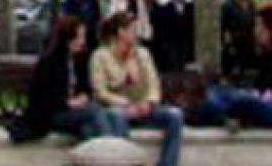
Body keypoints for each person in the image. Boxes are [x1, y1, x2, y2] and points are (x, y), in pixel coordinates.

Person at [193, 8, 272, 141]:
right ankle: (223, 115)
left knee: (243, 101)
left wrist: (258, 95)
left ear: (270, 29)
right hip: (259, 100)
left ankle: (221, 116)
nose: (255, 31)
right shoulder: (262, 52)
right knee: (218, 92)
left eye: (259, 26)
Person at [87, 12, 185, 166]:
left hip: (142, 107)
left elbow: (154, 84)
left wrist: (149, 102)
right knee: (117, 116)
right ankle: (126, 162)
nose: (136, 34)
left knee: (175, 115)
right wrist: (125, 101)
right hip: (117, 108)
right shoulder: (100, 57)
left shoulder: (143, 54)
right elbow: (100, 92)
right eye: (133, 30)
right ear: (121, 32)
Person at [12, 15, 101, 143]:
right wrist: (69, 103)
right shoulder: (50, 62)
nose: (83, 41)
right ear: (70, 38)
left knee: (89, 127)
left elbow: (85, 86)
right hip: (54, 114)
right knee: (95, 112)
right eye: (80, 36)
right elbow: (43, 99)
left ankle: (108, 153)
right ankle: (115, 152)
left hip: (75, 111)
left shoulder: (80, 60)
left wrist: (84, 96)